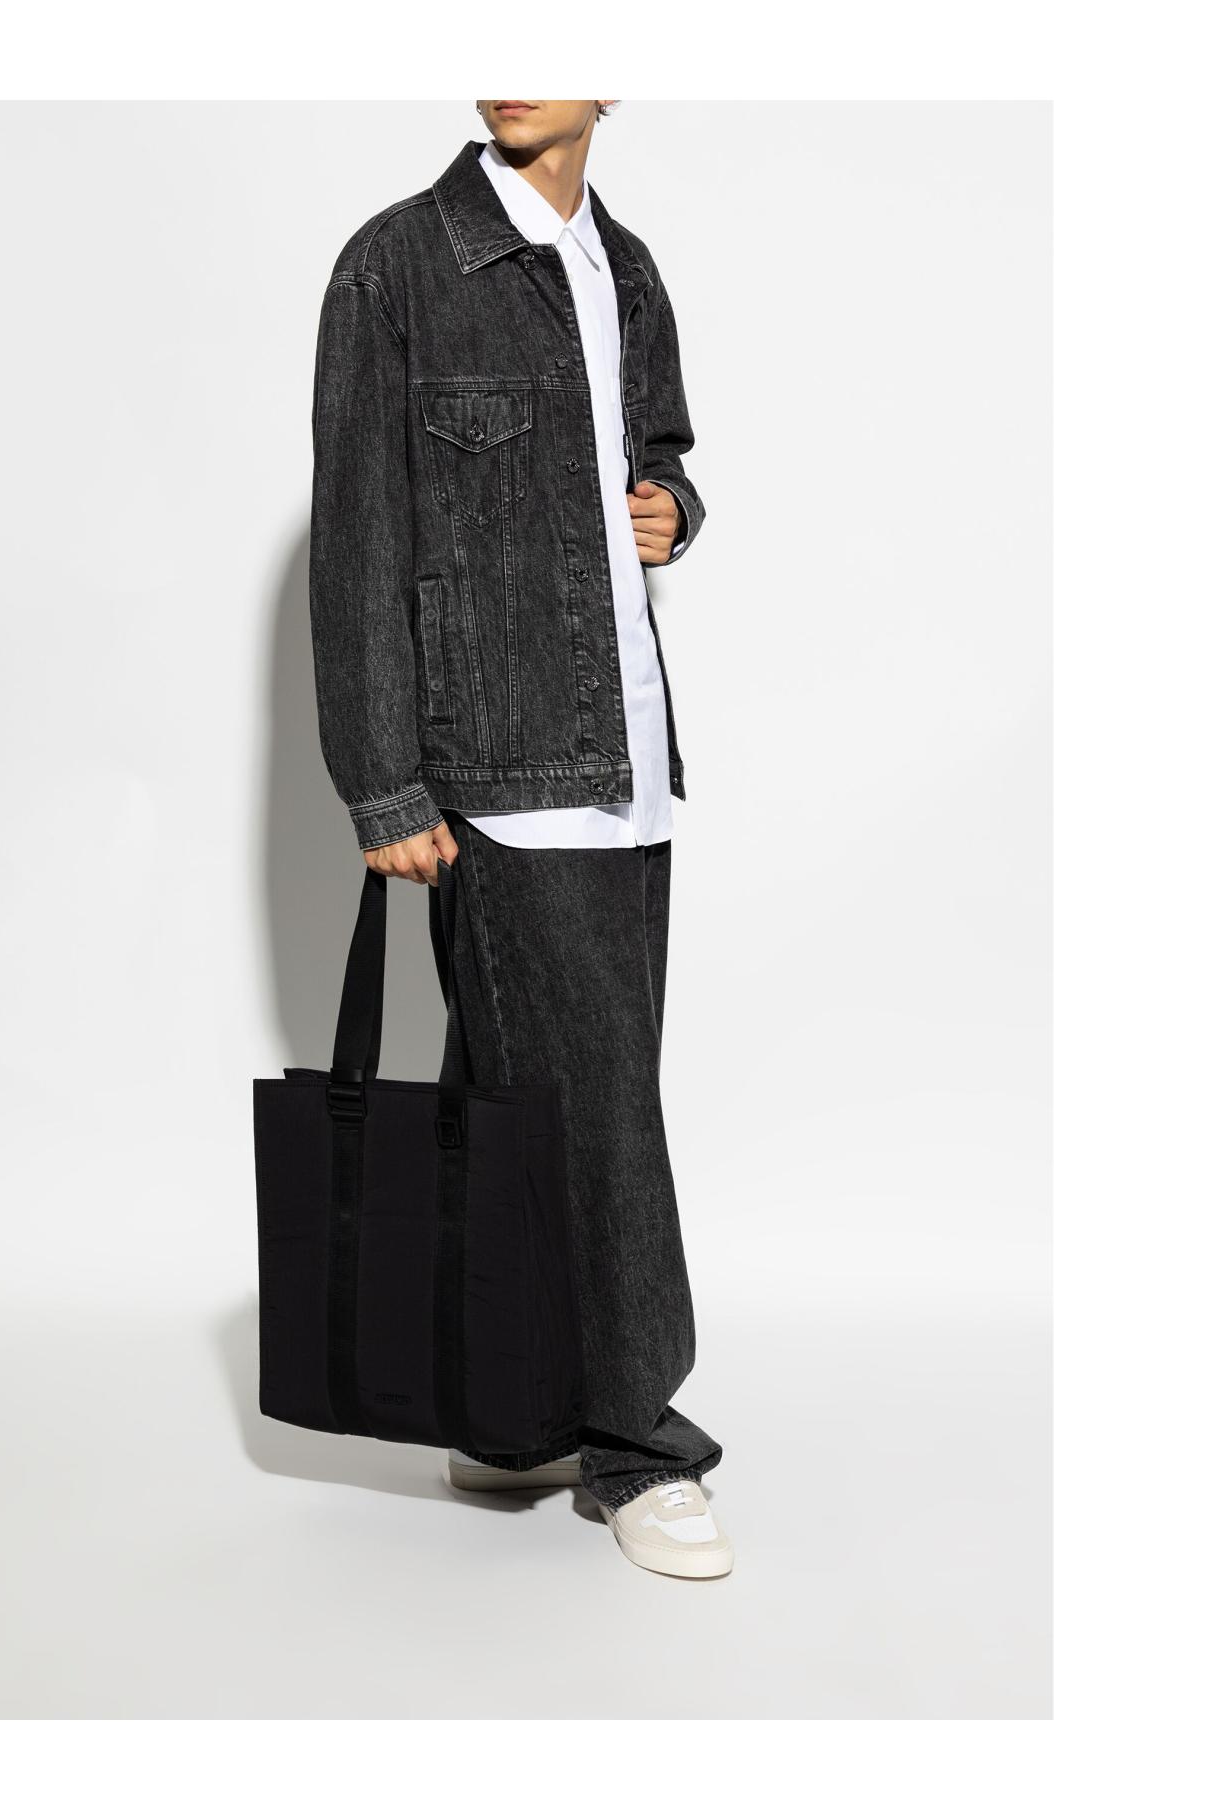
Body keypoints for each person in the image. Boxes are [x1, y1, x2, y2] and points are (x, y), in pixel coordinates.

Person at [308, 100, 729, 1578]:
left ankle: (508, 1413)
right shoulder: (396, 266)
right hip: (497, 774)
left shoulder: (628, 266)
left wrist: (673, 506)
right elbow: (359, 534)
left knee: (522, 1096)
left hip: (630, 759)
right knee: (599, 1109)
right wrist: (385, 785)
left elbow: (659, 456)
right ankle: (638, 1445)